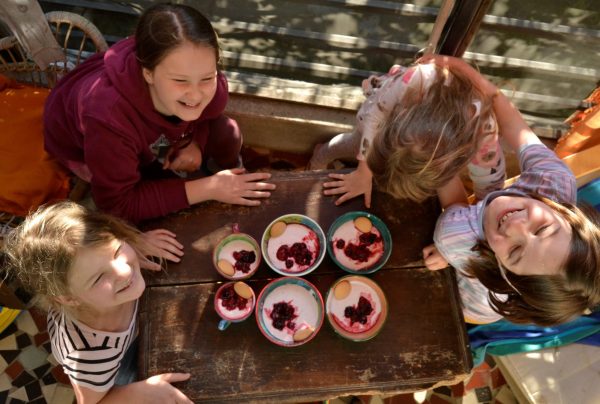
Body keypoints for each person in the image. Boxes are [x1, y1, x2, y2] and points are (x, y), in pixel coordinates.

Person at [44, 4, 275, 223]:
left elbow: (204, 118)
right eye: (180, 81)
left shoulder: (204, 81)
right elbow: (116, 204)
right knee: (158, 184)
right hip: (88, 145)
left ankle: (229, 172)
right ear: (148, 74)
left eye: (207, 78)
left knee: (227, 132)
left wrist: (192, 141)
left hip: (153, 132)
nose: (196, 96)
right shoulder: (108, 118)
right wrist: (210, 187)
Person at [422, 56, 600, 326]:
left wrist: (435, 147)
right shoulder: (553, 179)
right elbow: (516, 126)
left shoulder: (455, 235)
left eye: (516, 250)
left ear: (501, 269)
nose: (515, 225)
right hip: (477, 233)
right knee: (484, 135)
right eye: (542, 229)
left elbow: (456, 202)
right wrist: (476, 83)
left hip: (473, 303)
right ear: (568, 216)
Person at [3, 201, 192, 403]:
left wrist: (138, 243)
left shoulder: (104, 275)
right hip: (117, 363)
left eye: (117, 250)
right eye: (99, 278)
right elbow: (93, 402)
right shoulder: (90, 355)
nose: (124, 270)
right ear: (69, 298)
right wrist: (141, 392)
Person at [309, 61, 506, 207]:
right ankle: (320, 155)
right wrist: (363, 170)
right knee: (351, 143)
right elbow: (375, 117)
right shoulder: (415, 80)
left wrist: (470, 221)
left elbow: (490, 188)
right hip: (377, 114)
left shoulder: (483, 136)